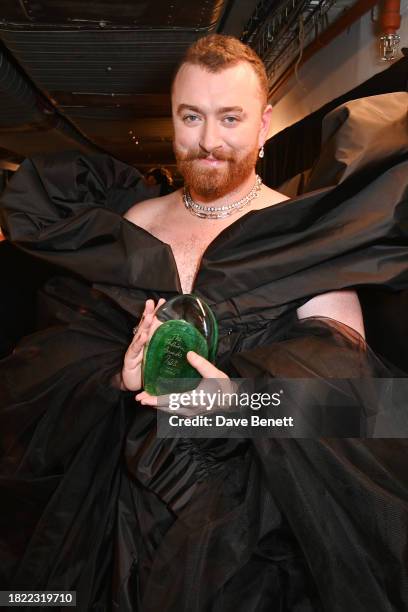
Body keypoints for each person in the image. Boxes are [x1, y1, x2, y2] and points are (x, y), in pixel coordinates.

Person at [0, 35, 407, 612]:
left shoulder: (303, 238)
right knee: (39, 599)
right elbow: (48, 374)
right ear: (173, 117)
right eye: (191, 117)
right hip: (116, 521)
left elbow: (364, 413)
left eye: (230, 118)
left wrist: (239, 405)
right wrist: (117, 378)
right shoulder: (134, 224)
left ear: (264, 125)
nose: (209, 141)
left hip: (253, 542)